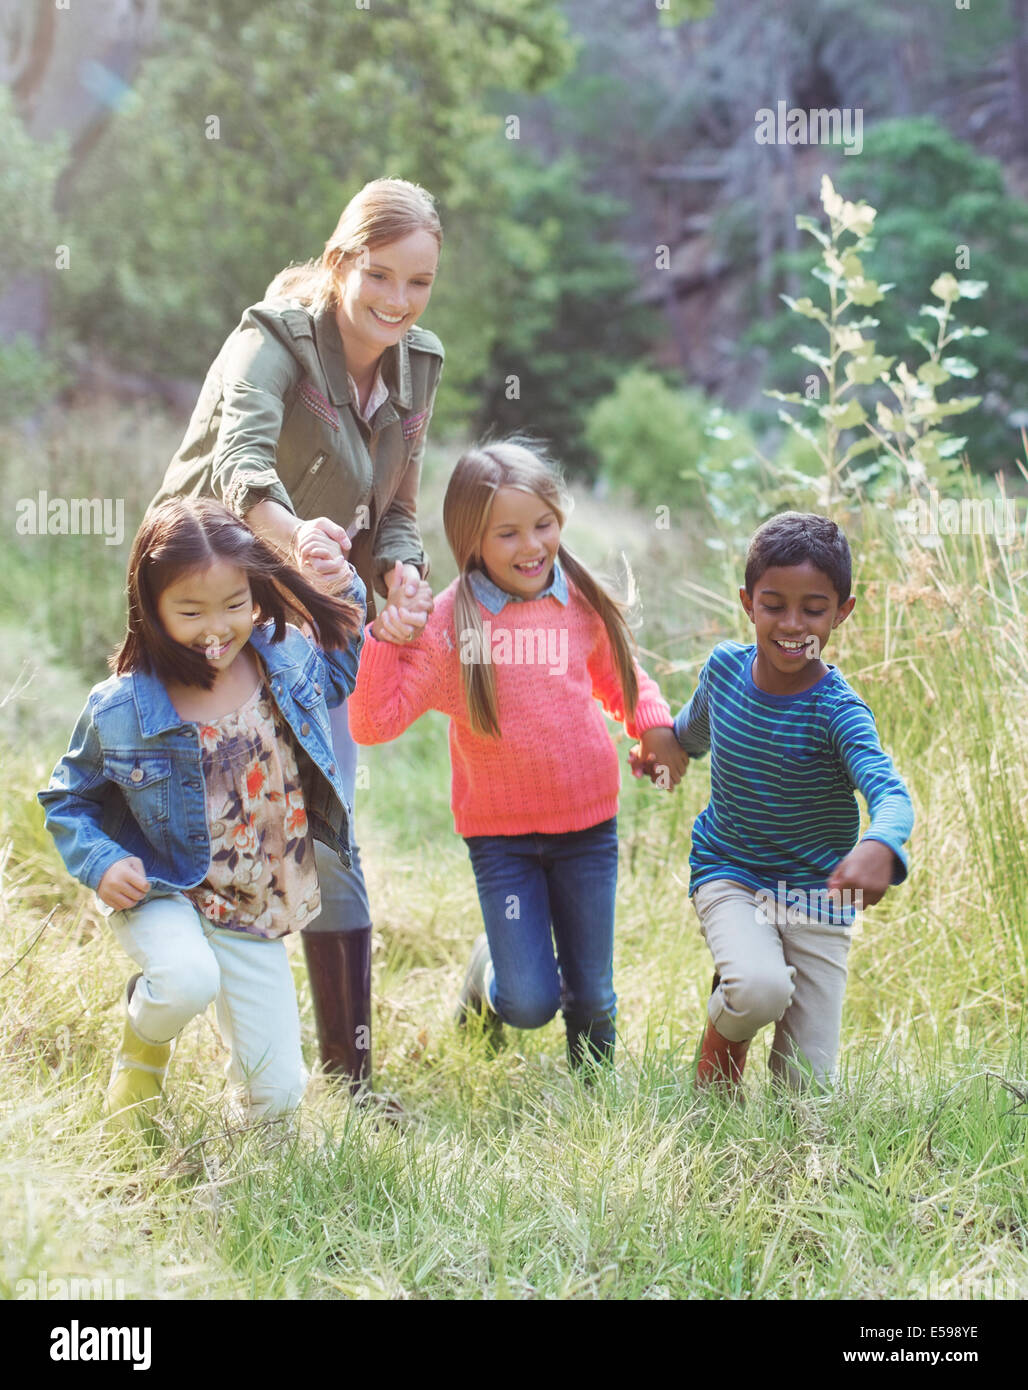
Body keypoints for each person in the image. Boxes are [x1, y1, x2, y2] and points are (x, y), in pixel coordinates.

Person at [150, 178, 444, 1093]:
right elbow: (240, 470)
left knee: (326, 816)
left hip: (314, 598)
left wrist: (402, 571)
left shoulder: (417, 364)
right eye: (381, 277)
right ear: (339, 260)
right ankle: (158, 1010)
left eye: (419, 283)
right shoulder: (271, 338)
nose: (398, 302)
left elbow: (395, 504)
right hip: (207, 590)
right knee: (197, 820)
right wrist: (304, 544)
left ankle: (350, 1080)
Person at [349, 438, 686, 1070]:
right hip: (502, 840)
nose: (531, 546)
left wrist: (652, 726)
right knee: (530, 1000)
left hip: (588, 826)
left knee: (593, 993)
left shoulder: (578, 598)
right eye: (508, 533)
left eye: (543, 525)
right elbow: (373, 724)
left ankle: (596, 1111)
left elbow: (622, 676)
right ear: (471, 537)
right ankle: (490, 973)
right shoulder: (450, 624)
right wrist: (386, 637)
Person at [38, 499, 366, 1139]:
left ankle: (230, 1149)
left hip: (251, 903)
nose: (216, 628)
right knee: (187, 980)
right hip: (166, 887)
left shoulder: (281, 659)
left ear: (256, 593)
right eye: (190, 611)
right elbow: (66, 797)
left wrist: (341, 582)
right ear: (151, 607)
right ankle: (143, 1043)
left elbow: (340, 669)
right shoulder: (123, 706)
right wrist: (102, 863)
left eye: (234, 604)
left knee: (277, 1105)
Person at [652, 511, 914, 1094]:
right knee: (759, 989)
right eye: (774, 604)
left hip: (817, 899)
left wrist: (880, 844)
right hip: (732, 873)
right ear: (748, 602)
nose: (793, 623)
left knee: (808, 1100)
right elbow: (689, 736)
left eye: (814, 608)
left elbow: (890, 794)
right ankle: (714, 1072)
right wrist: (660, 749)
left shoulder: (838, 713)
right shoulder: (723, 670)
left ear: (842, 611)